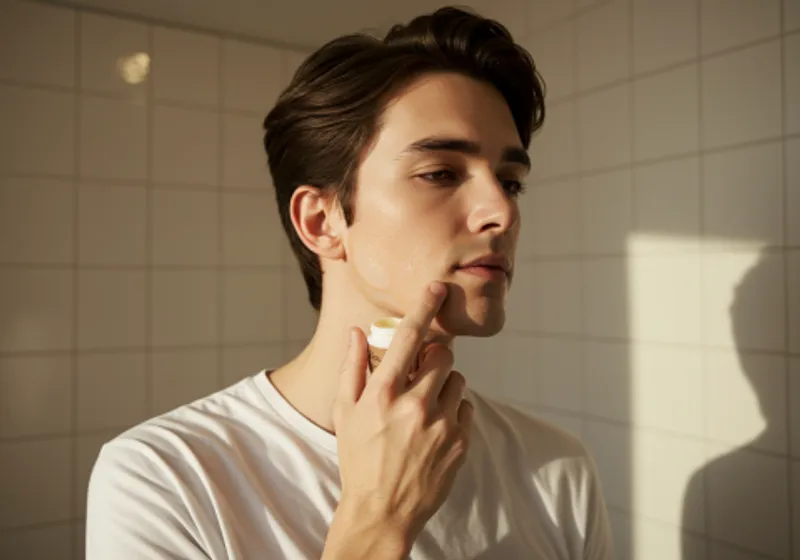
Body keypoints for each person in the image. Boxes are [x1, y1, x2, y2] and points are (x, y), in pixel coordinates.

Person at [85, 7, 614, 559]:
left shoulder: (556, 469)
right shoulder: (166, 479)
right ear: (322, 221)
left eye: (511, 181)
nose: (501, 211)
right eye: (440, 173)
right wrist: (377, 518)